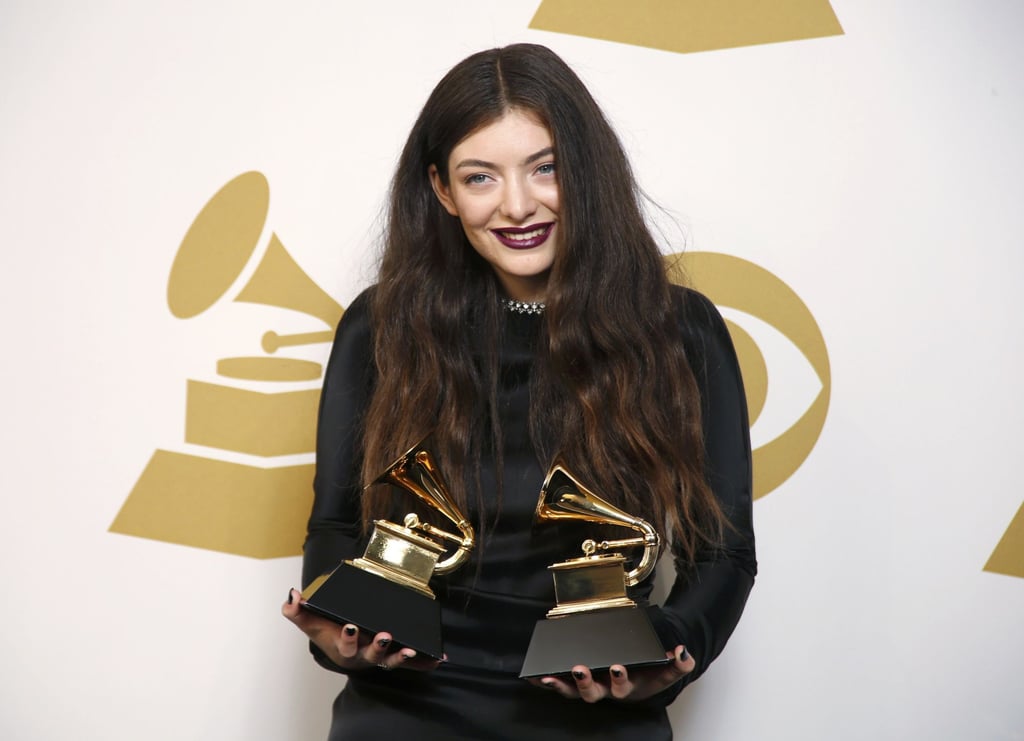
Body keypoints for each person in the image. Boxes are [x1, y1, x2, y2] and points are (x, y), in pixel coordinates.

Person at [282, 43, 756, 741]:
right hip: (403, 715)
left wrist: (673, 648)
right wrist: (336, 631)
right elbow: (334, 526)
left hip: (599, 722)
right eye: (481, 177)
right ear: (442, 190)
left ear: (588, 174)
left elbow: (723, 554)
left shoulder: (682, 330)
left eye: (547, 168)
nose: (517, 204)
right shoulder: (379, 326)